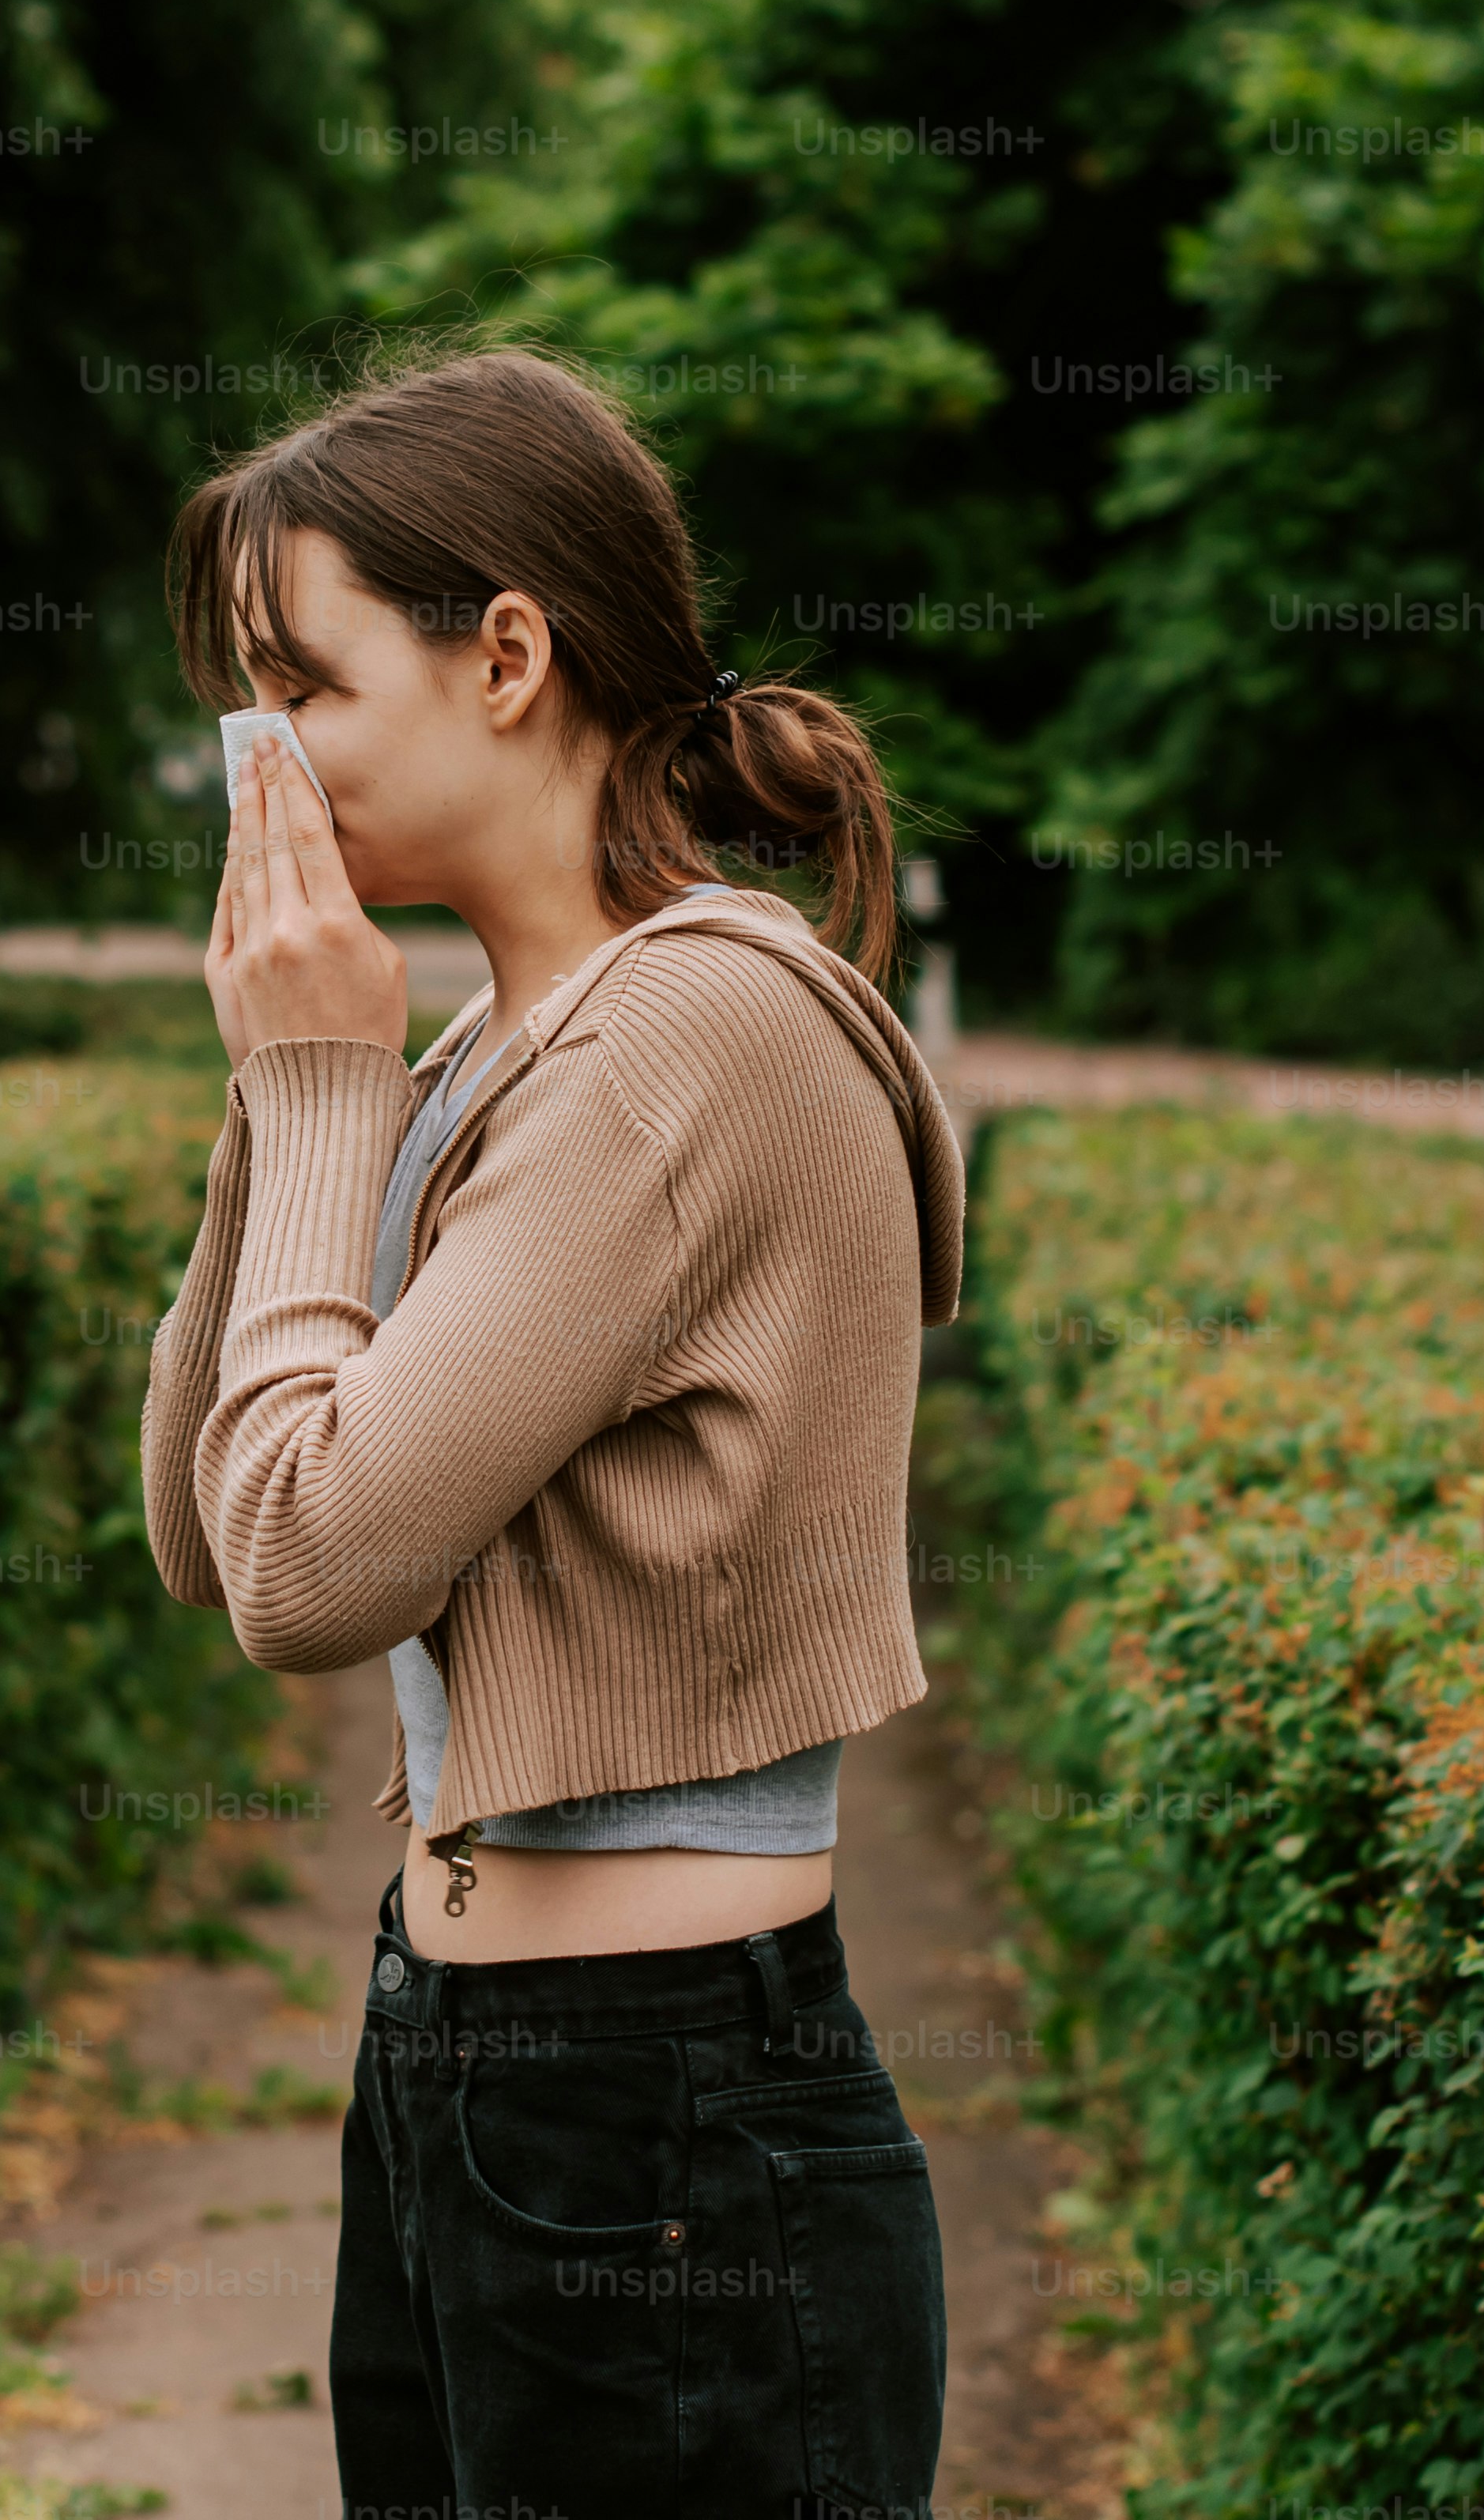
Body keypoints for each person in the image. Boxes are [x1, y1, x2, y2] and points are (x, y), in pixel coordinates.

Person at [137, 344, 962, 2513]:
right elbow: (199, 1526)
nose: (264, 760)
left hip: (666, 2122)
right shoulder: (495, 1055)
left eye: (299, 685)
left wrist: (325, 1095)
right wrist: (286, 1091)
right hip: (468, 2075)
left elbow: (308, 1584)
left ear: (508, 653)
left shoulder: (696, 1026)